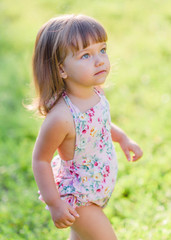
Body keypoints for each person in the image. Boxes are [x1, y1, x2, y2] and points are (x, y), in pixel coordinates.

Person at [31, 14, 143, 240]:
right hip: (78, 198)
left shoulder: (96, 93)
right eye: (85, 55)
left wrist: (122, 138)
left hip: (96, 187)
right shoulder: (61, 117)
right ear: (61, 69)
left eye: (102, 50)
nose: (100, 60)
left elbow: (99, 125)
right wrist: (55, 204)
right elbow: (40, 159)